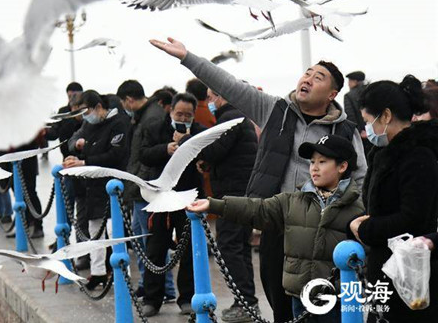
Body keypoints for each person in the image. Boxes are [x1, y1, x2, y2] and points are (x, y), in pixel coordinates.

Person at [149, 37, 367, 321]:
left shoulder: (345, 131)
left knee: (322, 308)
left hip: (325, 232)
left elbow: (359, 178)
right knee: (280, 303)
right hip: (278, 225)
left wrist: (354, 218)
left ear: (332, 94)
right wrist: (188, 57)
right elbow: (230, 86)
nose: (309, 79)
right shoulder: (275, 110)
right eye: (308, 73)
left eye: (319, 77)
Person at [189, 134, 364, 323]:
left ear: (342, 166)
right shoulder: (292, 201)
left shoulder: (358, 209)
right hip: (300, 296)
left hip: (336, 299)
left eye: (322, 162)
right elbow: (256, 209)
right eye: (312, 161)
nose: (314, 167)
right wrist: (213, 205)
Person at [348, 75, 438, 322]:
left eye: (368, 121)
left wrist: (365, 228)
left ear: (385, 116)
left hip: (410, 272)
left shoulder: (418, 156)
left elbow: (412, 219)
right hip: (384, 268)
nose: (367, 129)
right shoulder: (383, 151)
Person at [138, 92, 206, 317]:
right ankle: (152, 299)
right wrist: (166, 148)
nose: (183, 118)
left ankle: (187, 297)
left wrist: (188, 145)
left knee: (187, 250)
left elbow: (208, 156)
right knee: (156, 249)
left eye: (188, 115)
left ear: (194, 116)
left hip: (189, 196)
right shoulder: (155, 128)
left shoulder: (199, 131)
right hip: (162, 198)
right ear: (171, 111)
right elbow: (143, 154)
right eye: (179, 114)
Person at [198, 88, 259, 323]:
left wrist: (188, 144)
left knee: (230, 245)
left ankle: (245, 302)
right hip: (242, 191)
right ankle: (247, 301)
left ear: (222, 96)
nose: (209, 101)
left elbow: (215, 150)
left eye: (211, 96)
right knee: (240, 246)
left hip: (232, 195)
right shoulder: (239, 116)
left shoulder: (229, 117)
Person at [116, 80, 176, 302]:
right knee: (142, 239)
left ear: (129, 100)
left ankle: (162, 289)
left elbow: (146, 156)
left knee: (150, 241)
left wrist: (140, 185)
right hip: (140, 187)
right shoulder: (147, 115)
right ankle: (149, 284)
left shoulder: (150, 117)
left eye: (124, 102)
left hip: (145, 187)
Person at [64, 90, 130, 290]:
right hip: (92, 185)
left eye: (87, 112)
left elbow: (116, 155)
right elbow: (72, 140)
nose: (85, 117)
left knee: (113, 229)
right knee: (94, 230)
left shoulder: (119, 123)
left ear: (98, 107)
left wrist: (85, 161)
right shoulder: (89, 123)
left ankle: (121, 271)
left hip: (113, 183)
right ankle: (98, 271)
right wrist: (76, 147)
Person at [343, 71, 371, 153]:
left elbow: (350, 116)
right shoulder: (371, 92)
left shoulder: (349, 96)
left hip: (361, 135)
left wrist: (358, 131)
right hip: (375, 132)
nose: (348, 84)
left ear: (355, 81)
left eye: (349, 81)